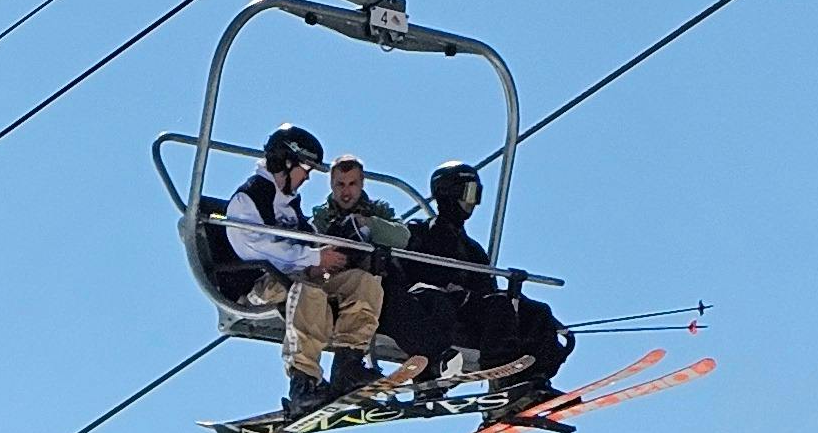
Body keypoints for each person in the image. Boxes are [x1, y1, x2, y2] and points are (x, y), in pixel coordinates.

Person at [220, 123, 386, 417]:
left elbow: (307, 239)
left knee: (363, 283)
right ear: (286, 163)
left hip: (295, 274)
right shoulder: (249, 198)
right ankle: (304, 382)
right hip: (259, 282)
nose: (307, 177)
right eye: (305, 168)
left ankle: (349, 363)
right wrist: (311, 259)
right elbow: (254, 246)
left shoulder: (287, 202)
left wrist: (328, 253)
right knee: (308, 290)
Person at [387, 159, 569, 406]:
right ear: (447, 193)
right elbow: (407, 272)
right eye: (468, 193)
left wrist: (512, 293)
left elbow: (486, 288)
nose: (471, 202)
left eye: (476, 195)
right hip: (436, 304)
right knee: (498, 306)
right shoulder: (419, 232)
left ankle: (535, 378)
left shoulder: (472, 249)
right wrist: (451, 288)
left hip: (471, 310)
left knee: (536, 311)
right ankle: (502, 380)